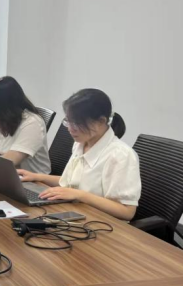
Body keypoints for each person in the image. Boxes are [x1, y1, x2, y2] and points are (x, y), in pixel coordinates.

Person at [17, 89, 140, 221]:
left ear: (101, 121)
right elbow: (71, 182)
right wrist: (37, 176)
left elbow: (127, 211)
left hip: (104, 224)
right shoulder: (81, 143)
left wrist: (79, 195)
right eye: (68, 121)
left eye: (77, 123)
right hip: (76, 213)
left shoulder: (120, 155)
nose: (70, 129)